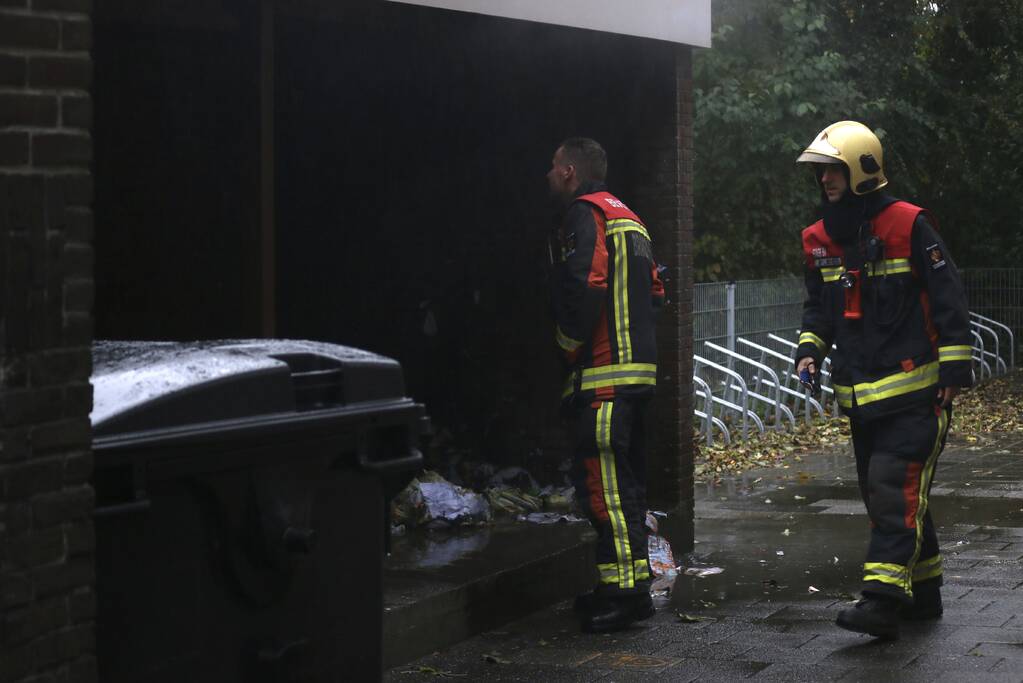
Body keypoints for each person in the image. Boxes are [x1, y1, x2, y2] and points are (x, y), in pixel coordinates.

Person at [794, 121, 973, 640]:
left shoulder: (909, 225)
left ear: (861, 170)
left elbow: (948, 298)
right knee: (892, 495)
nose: (825, 179)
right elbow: (819, 310)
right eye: (821, 171)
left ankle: (881, 602)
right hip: (861, 399)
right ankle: (925, 594)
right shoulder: (819, 240)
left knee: (892, 490)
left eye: (833, 169)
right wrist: (809, 351)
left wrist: (954, 371)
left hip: (916, 393)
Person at [546, 137, 665, 633]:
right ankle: (628, 584)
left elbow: (586, 282)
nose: (548, 175)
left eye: (553, 167)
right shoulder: (630, 218)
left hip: (603, 376)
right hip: (637, 375)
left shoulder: (584, 213)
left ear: (570, 171)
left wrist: (567, 344)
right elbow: (657, 290)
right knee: (627, 487)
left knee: (604, 488)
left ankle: (624, 594)